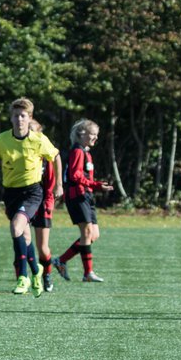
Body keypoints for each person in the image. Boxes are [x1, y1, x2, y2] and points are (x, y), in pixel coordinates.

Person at [0, 98, 59, 296]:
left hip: (33, 192)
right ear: (11, 118)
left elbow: (56, 156)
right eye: (16, 116)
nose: (19, 119)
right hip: (11, 193)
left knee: (16, 226)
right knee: (24, 235)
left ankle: (22, 277)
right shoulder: (2, 139)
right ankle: (36, 271)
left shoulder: (38, 140)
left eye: (23, 116)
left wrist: (59, 185)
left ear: (29, 117)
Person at [52, 119, 113, 283]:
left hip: (86, 196)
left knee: (93, 234)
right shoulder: (77, 151)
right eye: (92, 134)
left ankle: (61, 260)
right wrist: (96, 185)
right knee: (86, 233)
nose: (95, 138)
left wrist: (95, 186)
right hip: (77, 196)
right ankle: (88, 273)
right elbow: (75, 175)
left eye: (96, 135)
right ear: (81, 134)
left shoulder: (86, 153)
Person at [25, 119, 63, 292]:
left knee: (42, 248)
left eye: (33, 131)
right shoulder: (22, 151)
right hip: (25, 201)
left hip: (42, 203)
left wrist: (49, 201)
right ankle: (25, 277)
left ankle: (46, 274)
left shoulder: (47, 155)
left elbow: (51, 182)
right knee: (23, 242)